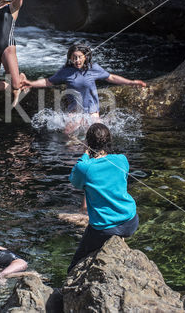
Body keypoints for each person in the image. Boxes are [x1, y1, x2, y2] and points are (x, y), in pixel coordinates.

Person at [67, 123, 139, 273]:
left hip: (105, 228)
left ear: (87, 143)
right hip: (131, 221)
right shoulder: (122, 160)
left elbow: (75, 181)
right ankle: (118, 244)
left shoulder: (85, 167)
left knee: (74, 267)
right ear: (109, 141)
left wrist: (85, 154)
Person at [23, 43, 147, 128]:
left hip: (92, 111)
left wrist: (131, 82)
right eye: (74, 57)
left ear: (85, 57)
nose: (77, 60)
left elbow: (111, 77)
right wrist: (31, 83)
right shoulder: (66, 71)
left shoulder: (94, 69)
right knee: (68, 133)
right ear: (70, 58)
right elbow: (48, 81)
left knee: (94, 134)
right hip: (75, 110)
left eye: (79, 57)